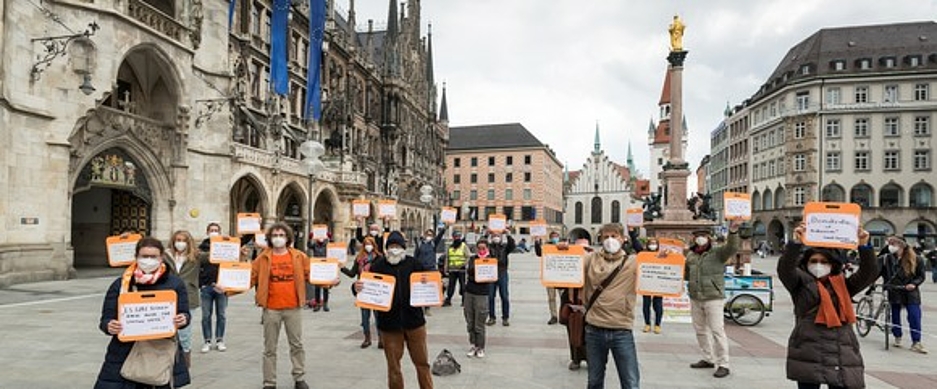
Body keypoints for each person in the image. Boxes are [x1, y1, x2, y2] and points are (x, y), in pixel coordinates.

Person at [778, 223, 878, 389]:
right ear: (806, 263)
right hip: (808, 350)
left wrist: (864, 246)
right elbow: (785, 269)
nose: (818, 265)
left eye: (824, 261)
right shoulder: (799, 283)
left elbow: (868, 274)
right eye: (814, 261)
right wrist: (795, 244)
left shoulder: (843, 285)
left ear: (832, 265)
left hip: (840, 350)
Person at [94, 237, 191, 388]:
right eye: (144, 256)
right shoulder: (121, 284)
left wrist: (183, 319)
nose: (149, 260)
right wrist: (109, 326)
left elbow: (184, 312)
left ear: (161, 258)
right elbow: (106, 319)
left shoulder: (175, 284)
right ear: (136, 257)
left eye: (153, 257)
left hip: (160, 350)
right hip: (125, 351)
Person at [355, 231, 434, 389]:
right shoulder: (378, 266)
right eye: (391, 246)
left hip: (414, 323)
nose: (394, 249)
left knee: (422, 363)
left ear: (404, 248)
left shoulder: (414, 264)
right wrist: (356, 287)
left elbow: (428, 281)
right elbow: (367, 286)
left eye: (397, 246)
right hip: (389, 325)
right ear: (386, 249)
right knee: (393, 367)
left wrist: (434, 283)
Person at [250, 223, 321, 389]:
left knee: (296, 345)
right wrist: (228, 287)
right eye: (275, 235)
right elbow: (250, 277)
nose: (278, 238)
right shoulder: (263, 257)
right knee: (269, 347)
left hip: (293, 307)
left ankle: (299, 377)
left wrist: (329, 281)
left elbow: (312, 274)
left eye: (281, 235)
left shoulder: (298, 256)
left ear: (288, 238)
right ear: (269, 238)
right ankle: (269, 382)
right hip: (271, 308)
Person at [580, 223, 639, 389]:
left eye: (614, 236)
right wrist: (560, 250)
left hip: (621, 329)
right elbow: (569, 266)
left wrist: (666, 256)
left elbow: (656, 265)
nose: (609, 240)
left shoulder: (633, 262)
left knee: (630, 382)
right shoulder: (591, 259)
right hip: (594, 329)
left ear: (623, 239)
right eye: (605, 237)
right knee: (594, 381)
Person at [686, 222, 740, 378]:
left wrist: (733, 231)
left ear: (709, 237)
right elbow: (685, 273)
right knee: (700, 330)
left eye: (703, 236)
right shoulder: (691, 255)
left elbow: (732, 248)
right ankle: (708, 358)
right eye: (697, 236)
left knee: (717, 331)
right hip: (696, 297)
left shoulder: (717, 253)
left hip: (713, 297)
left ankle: (724, 363)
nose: (700, 239)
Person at [879, 235, 928, 353]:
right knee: (895, 315)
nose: (890, 246)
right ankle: (897, 336)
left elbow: (921, 276)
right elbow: (879, 271)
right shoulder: (887, 258)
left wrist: (914, 284)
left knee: (914, 316)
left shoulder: (916, 258)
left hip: (910, 291)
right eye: (889, 243)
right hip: (894, 290)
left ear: (901, 245)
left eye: (893, 243)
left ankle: (916, 342)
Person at [342, 236, 383, 348]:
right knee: (365, 317)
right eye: (365, 244)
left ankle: (381, 339)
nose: (368, 246)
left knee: (378, 316)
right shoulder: (359, 258)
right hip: (363, 290)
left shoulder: (379, 258)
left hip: (375, 290)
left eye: (370, 244)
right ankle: (367, 338)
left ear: (374, 245)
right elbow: (352, 274)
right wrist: (342, 268)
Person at [167, 230, 200, 368]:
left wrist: (239, 252)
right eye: (177, 240)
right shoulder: (165, 255)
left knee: (184, 332)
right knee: (169, 331)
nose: (180, 243)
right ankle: (170, 360)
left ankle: (185, 362)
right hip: (168, 298)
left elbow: (216, 257)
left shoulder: (196, 256)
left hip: (188, 297)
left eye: (183, 240)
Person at [560, 238, 593, 371]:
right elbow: (556, 281)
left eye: (585, 250)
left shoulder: (595, 265)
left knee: (590, 335)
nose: (582, 253)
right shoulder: (568, 263)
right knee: (573, 332)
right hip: (571, 303)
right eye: (579, 250)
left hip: (589, 305)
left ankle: (592, 360)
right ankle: (575, 359)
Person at [197, 222, 229, 353]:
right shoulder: (201, 248)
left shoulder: (227, 247)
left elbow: (232, 263)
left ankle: (220, 339)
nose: (214, 232)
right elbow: (197, 266)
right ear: (207, 232)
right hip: (207, 287)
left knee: (221, 315)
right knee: (206, 315)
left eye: (216, 230)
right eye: (211, 230)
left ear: (220, 232)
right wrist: (201, 284)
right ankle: (207, 341)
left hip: (221, 287)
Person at [464, 239, 492, 358]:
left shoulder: (491, 260)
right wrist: (478, 264)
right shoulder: (472, 259)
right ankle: (473, 344)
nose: (480, 250)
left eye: (483, 248)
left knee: (479, 322)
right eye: (479, 248)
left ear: (487, 249)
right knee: (470, 321)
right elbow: (470, 271)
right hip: (470, 291)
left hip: (482, 293)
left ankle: (480, 346)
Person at [414, 226, 446, 316]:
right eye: (427, 234)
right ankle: (422, 307)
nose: (429, 236)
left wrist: (444, 228)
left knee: (433, 287)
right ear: (424, 235)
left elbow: (439, 236)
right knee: (421, 289)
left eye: (431, 235)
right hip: (420, 269)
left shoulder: (433, 244)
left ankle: (428, 306)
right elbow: (415, 256)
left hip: (431, 269)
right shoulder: (419, 244)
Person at [486, 231, 515, 326]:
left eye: (498, 236)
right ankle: (491, 317)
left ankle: (505, 318)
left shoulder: (505, 247)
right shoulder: (488, 247)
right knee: (490, 297)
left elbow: (512, 245)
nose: (496, 237)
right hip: (490, 273)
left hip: (502, 272)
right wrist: (485, 234)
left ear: (501, 238)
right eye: (494, 236)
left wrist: (508, 234)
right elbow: (480, 244)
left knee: (505, 296)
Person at [536, 231, 564, 325]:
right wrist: (537, 242)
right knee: (551, 298)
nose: (555, 238)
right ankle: (554, 316)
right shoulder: (547, 246)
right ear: (550, 238)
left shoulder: (563, 246)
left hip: (561, 276)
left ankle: (563, 315)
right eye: (553, 237)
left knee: (563, 297)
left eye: (556, 236)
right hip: (550, 276)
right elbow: (539, 253)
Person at [641, 237, 664, 334]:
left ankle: (657, 324)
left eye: (655, 243)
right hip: (646, 282)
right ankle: (647, 324)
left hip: (658, 283)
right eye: (651, 243)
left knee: (658, 304)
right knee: (646, 304)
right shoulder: (644, 254)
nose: (653, 245)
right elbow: (636, 245)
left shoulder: (663, 255)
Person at [444, 231, 470, 306]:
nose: (457, 238)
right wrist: (446, 267)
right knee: (451, 285)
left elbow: (468, 256)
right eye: (455, 237)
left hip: (461, 269)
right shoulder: (450, 247)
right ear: (453, 237)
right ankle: (448, 299)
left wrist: (464, 264)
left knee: (462, 285)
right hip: (452, 269)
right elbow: (447, 258)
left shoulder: (463, 246)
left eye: (458, 236)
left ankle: (464, 300)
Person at [306, 234, 331, 312]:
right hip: (317, 267)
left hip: (325, 266)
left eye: (322, 237)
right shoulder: (315, 245)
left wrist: (330, 237)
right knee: (317, 287)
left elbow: (334, 246)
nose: (321, 239)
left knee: (326, 287)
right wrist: (310, 238)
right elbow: (309, 245)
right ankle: (317, 304)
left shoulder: (327, 245)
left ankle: (325, 304)